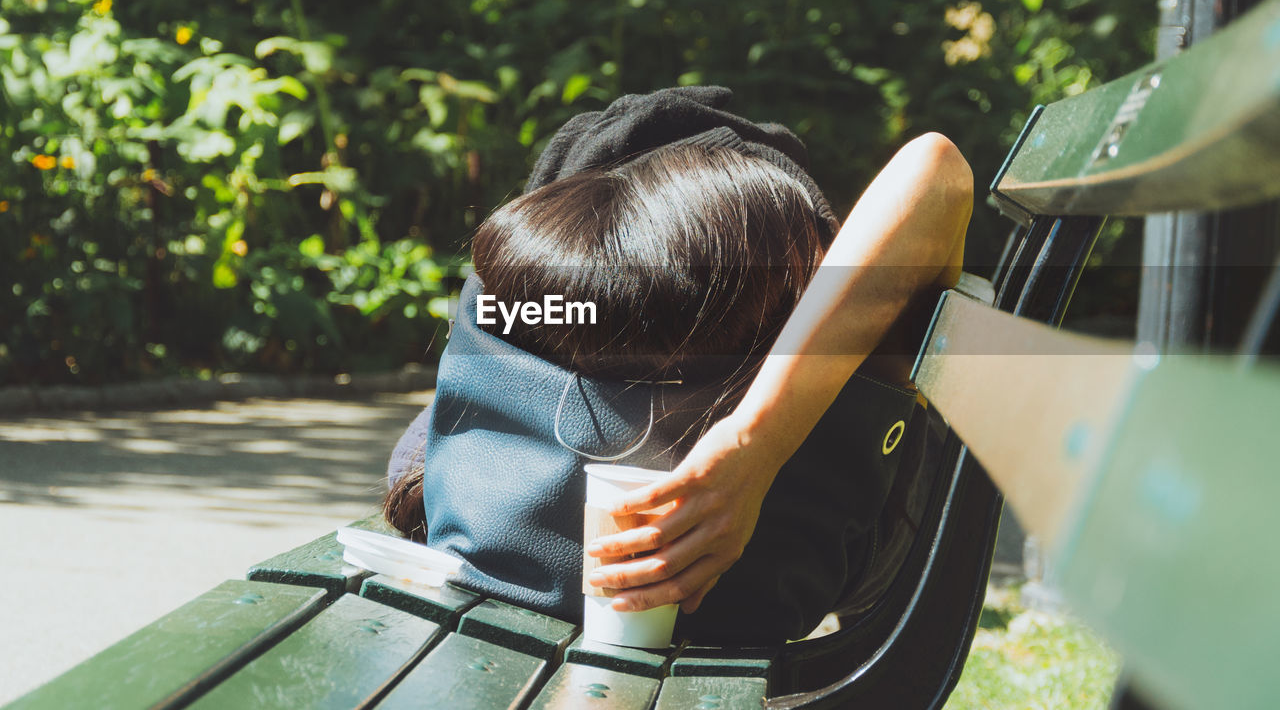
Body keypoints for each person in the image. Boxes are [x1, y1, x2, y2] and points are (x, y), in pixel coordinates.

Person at [385, 86, 972, 644]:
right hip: (849, 548)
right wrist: (756, 444)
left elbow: (937, 170)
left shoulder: (515, 328)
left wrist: (751, 449)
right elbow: (937, 172)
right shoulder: (819, 303)